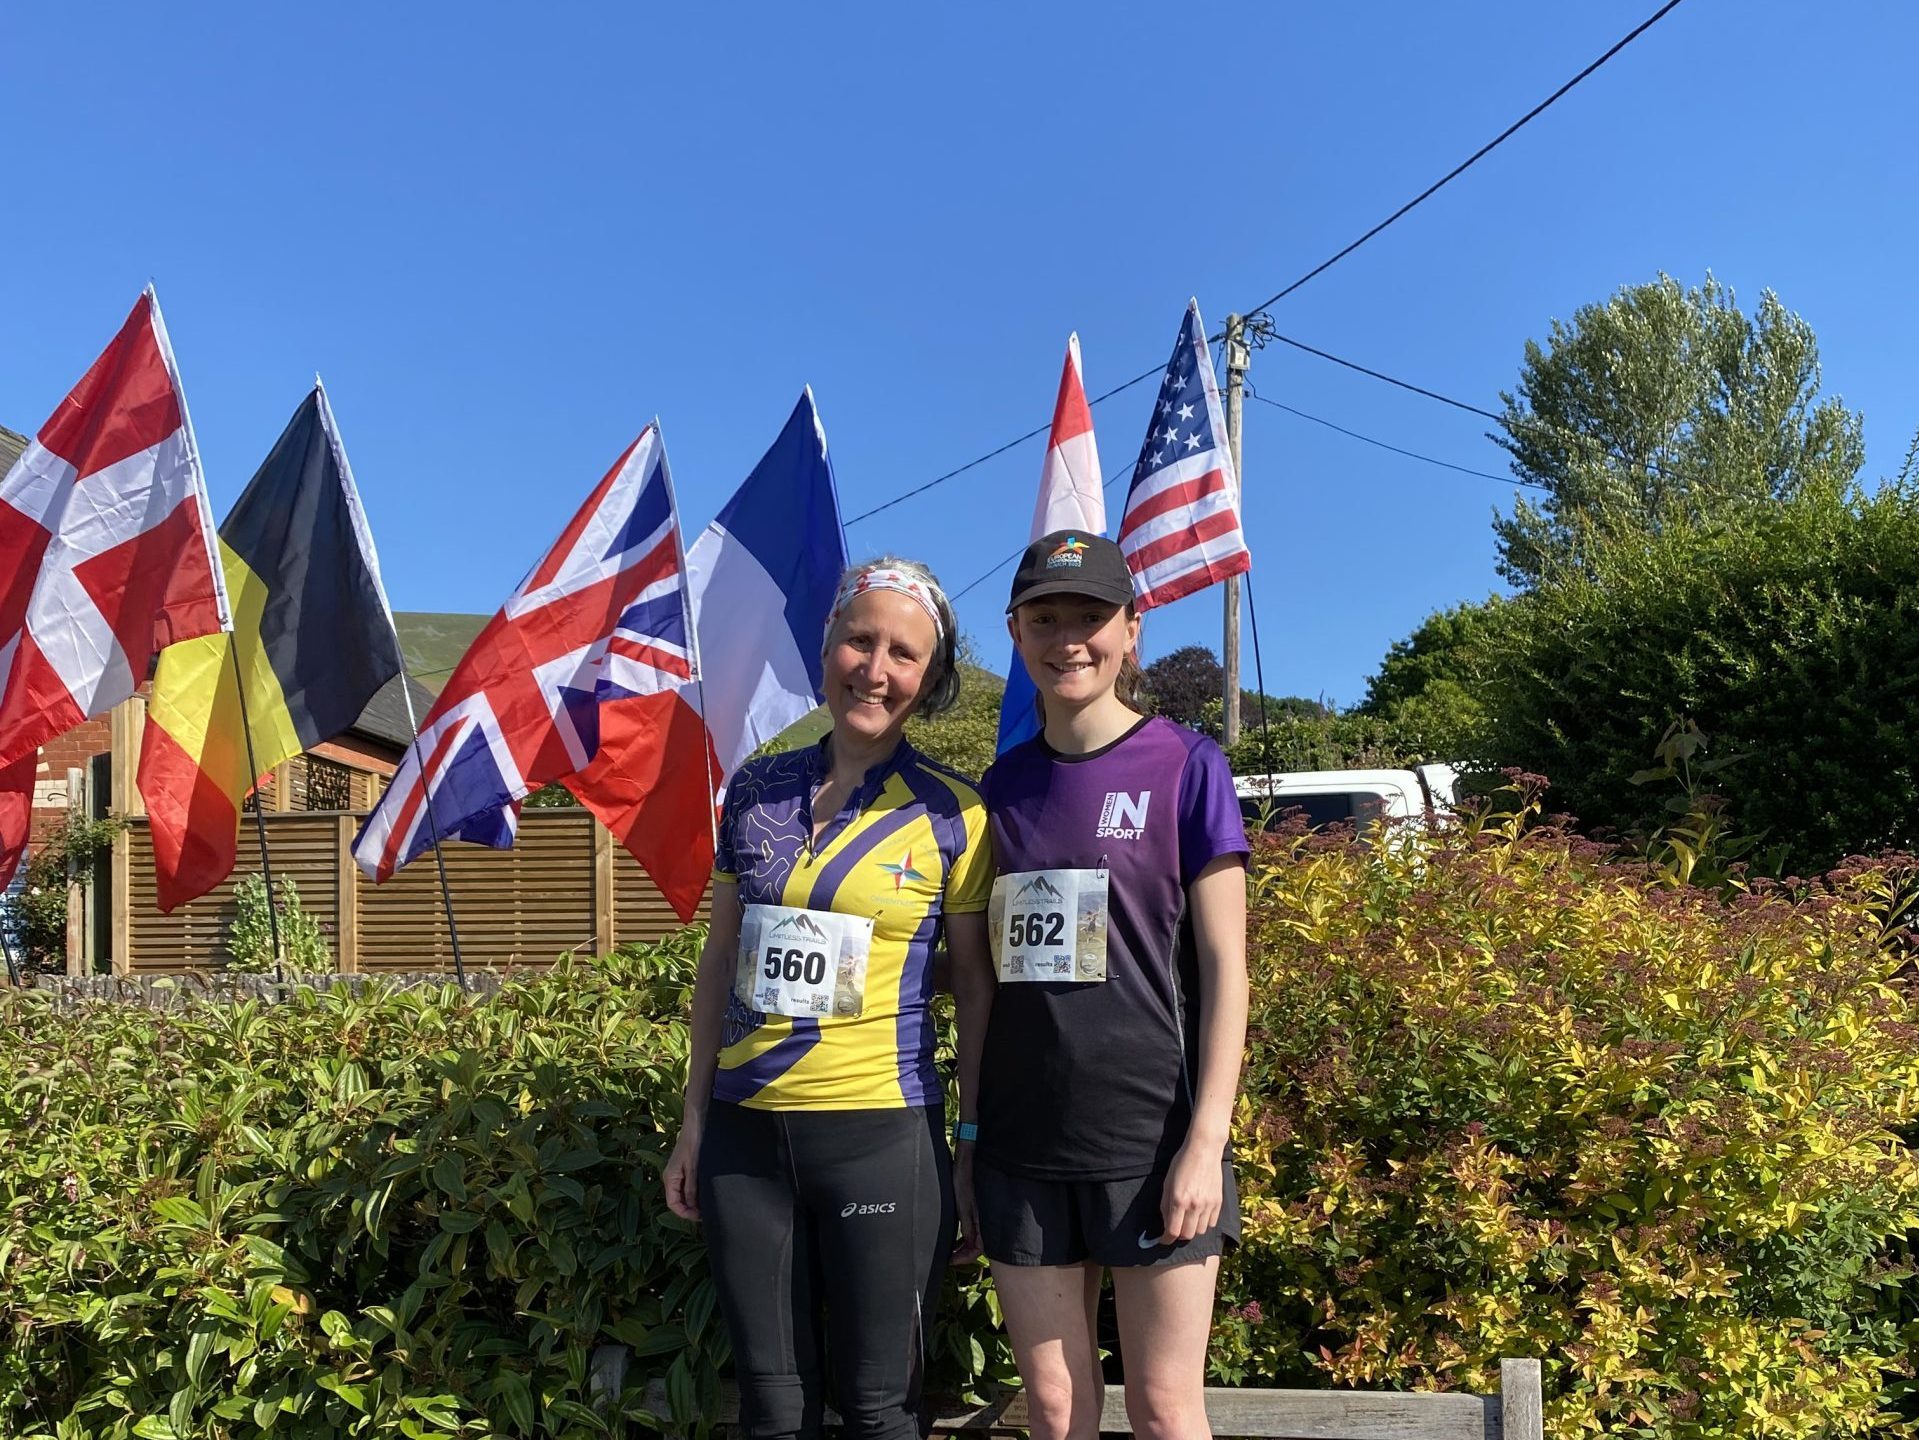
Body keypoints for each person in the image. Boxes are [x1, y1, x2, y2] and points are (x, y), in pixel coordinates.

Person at [662, 557, 996, 1440]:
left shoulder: (955, 815)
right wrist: (693, 1119)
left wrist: (968, 1144)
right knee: (773, 1413)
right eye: (860, 640)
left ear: (928, 680)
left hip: (883, 1136)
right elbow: (720, 956)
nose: (874, 670)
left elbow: (974, 991)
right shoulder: (756, 788)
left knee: (880, 1411)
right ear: (825, 645)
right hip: (745, 1138)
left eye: (903, 654)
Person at [967, 530, 1250, 1440]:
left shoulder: (1187, 765)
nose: (1068, 639)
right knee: (1055, 1412)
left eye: (1090, 617)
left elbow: (1226, 970)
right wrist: (969, 1140)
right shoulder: (995, 790)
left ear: (1133, 627)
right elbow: (982, 976)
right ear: (1015, 632)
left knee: (1166, 1412)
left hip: (1153, 1141)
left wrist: (1205, 1141)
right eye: (1045, 619)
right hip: (1021, 1145)